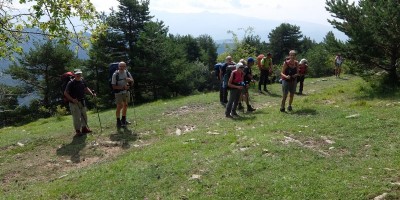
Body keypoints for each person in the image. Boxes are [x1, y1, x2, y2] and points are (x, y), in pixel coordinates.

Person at [64, 69, 96, 137]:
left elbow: (86, 88)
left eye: (80, 74)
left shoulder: (82, 81)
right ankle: (78, 131)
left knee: (84, 115)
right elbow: (65, 93)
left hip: (82, 101)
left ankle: (84, 128)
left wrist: (92, 94)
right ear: (74, 74)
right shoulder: (71, 83)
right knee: (76, 117)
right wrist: (72, 100)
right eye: (77, 74)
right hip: (74, 103)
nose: (79, 75)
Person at [111, 61, 134, 128]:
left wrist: (130, 80)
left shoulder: (127, 73)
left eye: (123, 66)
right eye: (120, 66)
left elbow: (132, 82)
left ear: (125, 67)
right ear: (118, 67)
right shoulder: (115, 74)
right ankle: (118, 121)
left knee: (126, 105)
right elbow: (113, 86)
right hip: (118, 92)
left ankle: (123, 120)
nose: (122, 68)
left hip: (126, 92)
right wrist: (123, 87)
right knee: (119, 106)